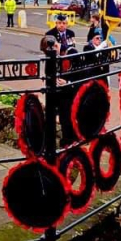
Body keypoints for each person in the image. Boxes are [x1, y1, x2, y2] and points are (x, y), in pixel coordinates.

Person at [43, 14, 79, 145]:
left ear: (67, 24)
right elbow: (49, 52)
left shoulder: (71, 33)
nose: (61, 25)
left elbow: (73, 51)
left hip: (68, 73)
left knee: (68, 108)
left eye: (63, 23)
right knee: (53, 107)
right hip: (55, 72)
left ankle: (69, 137)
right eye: (59, 23)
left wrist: (64, 49)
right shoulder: (50, 34)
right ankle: (50, 139)